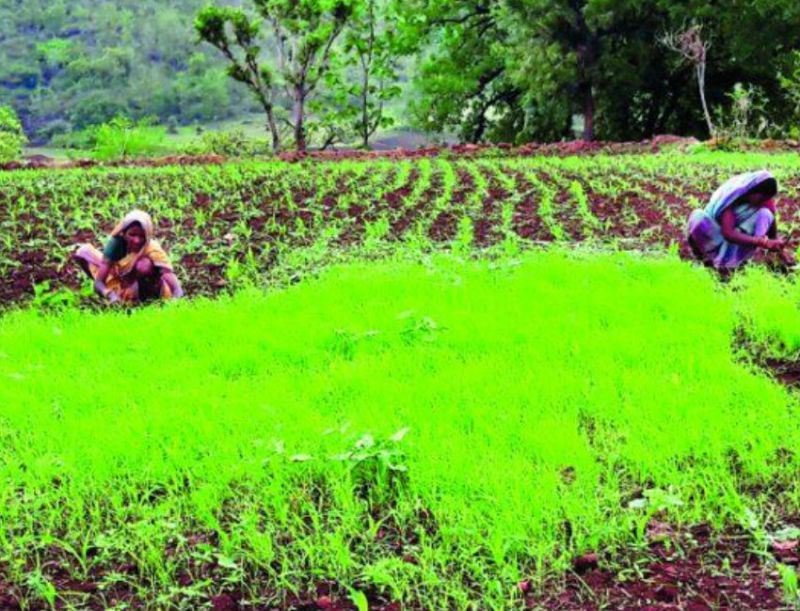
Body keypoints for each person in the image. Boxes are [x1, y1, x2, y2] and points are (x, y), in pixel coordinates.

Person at [686, 170, 796, 271]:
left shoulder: (763, 200)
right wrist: (762, 242)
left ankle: (729, 263)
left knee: (765, 214)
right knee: (698, 217)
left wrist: (780, 252)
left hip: (736, 239)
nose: (762, 201)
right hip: (714, 234)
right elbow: (728, 233)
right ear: (753, 191)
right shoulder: (731, 196)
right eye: (761, 198)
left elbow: (771, 224)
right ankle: (703, 257)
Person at [72, 210, 184, 303]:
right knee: (84, 252)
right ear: (123, 233)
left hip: (147, 288)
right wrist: (109, 295)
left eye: (142, 236)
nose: (137, 240)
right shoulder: (115, 245)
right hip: (120, 282)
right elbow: (99, 282)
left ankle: (145, 302)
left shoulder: (151, 248)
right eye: (132, 235)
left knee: (144, 265)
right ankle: (119, 298)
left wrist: (175, 300)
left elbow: (175, 286)